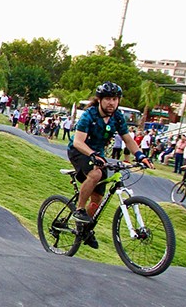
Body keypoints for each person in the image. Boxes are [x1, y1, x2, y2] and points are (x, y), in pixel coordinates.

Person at [67, 81, 154, 249]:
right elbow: (78, 142)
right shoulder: (89, 115)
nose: (111, 103)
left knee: (98, 199)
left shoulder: (117, 117)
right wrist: (92, 154)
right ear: (99, 100)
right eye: (107, 99)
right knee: (96, 174)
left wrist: (141, 156)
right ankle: (79, 210)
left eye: (115, 99)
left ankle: (84, 229)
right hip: (79, 151)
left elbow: (128, 139)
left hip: (98, 155)